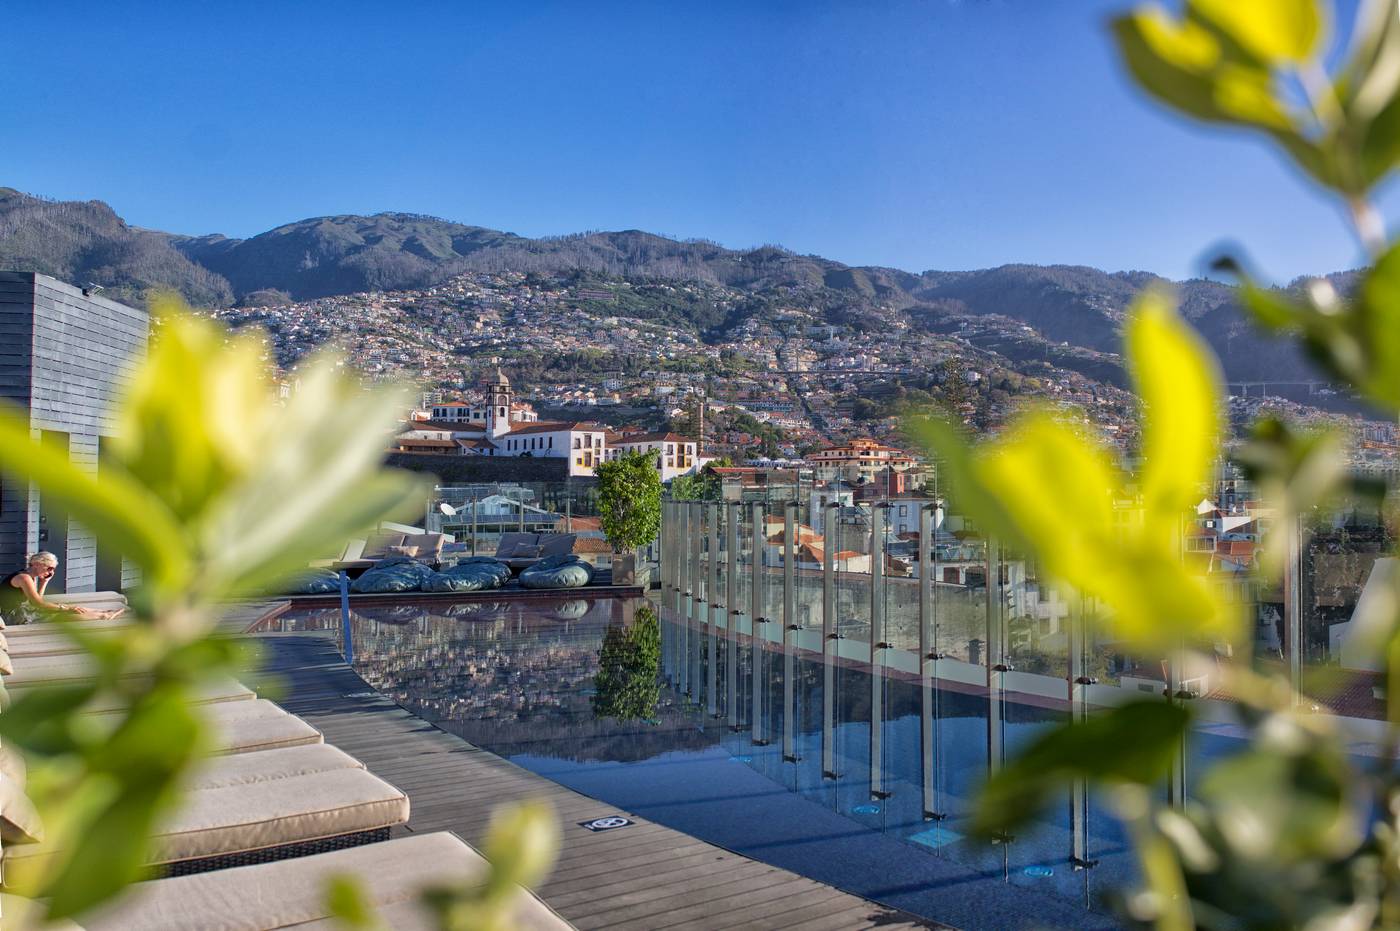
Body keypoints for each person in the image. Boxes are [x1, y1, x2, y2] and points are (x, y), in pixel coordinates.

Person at [0, 552, 124, 625]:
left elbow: (38, 600)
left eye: (53, 569)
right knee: (60, 614)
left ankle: (103, 612)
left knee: (63, 607)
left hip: (19, 611)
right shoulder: (24, 578)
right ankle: (102, 616)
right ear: (37, 564)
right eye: (49, 568)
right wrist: (66, 608)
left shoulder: (29, 576)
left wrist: (44, 582)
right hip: (12, 616)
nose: (51, 572)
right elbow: (37, 603)